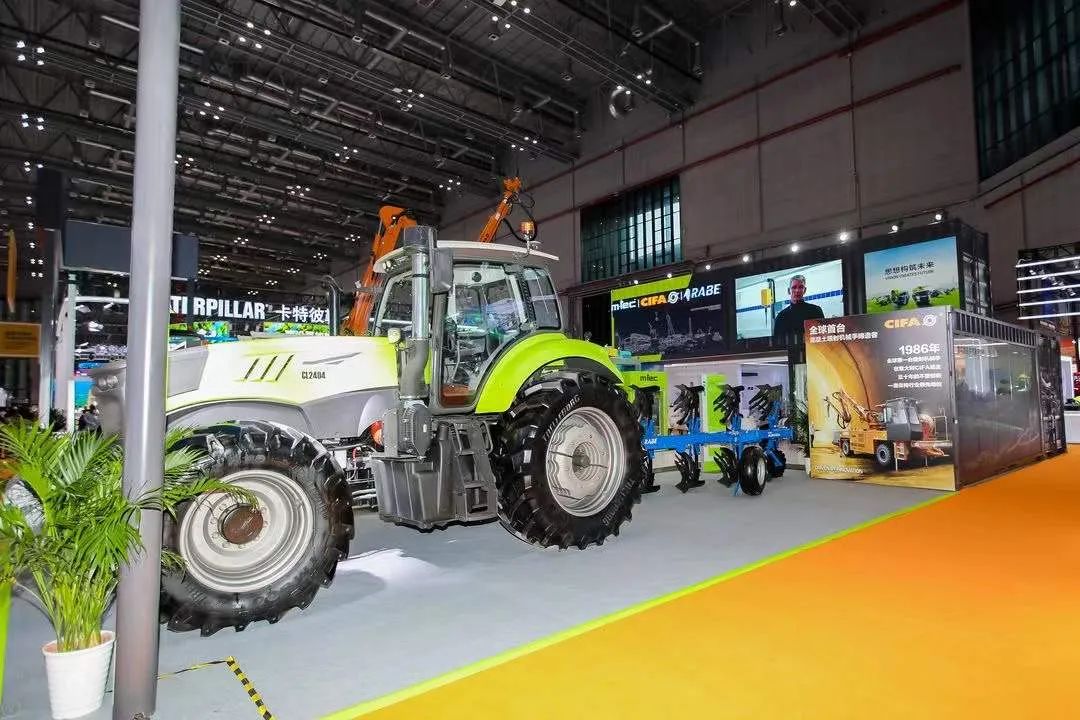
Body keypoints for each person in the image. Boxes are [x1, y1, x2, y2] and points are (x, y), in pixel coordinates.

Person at [772, 274, 825, 343]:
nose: (797, 290)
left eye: (801, 287)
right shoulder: (781, 316)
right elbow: (777, 343)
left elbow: (824, 338)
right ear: (789, 291)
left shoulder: (816, 311)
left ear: (804, 290)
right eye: (794, 287)